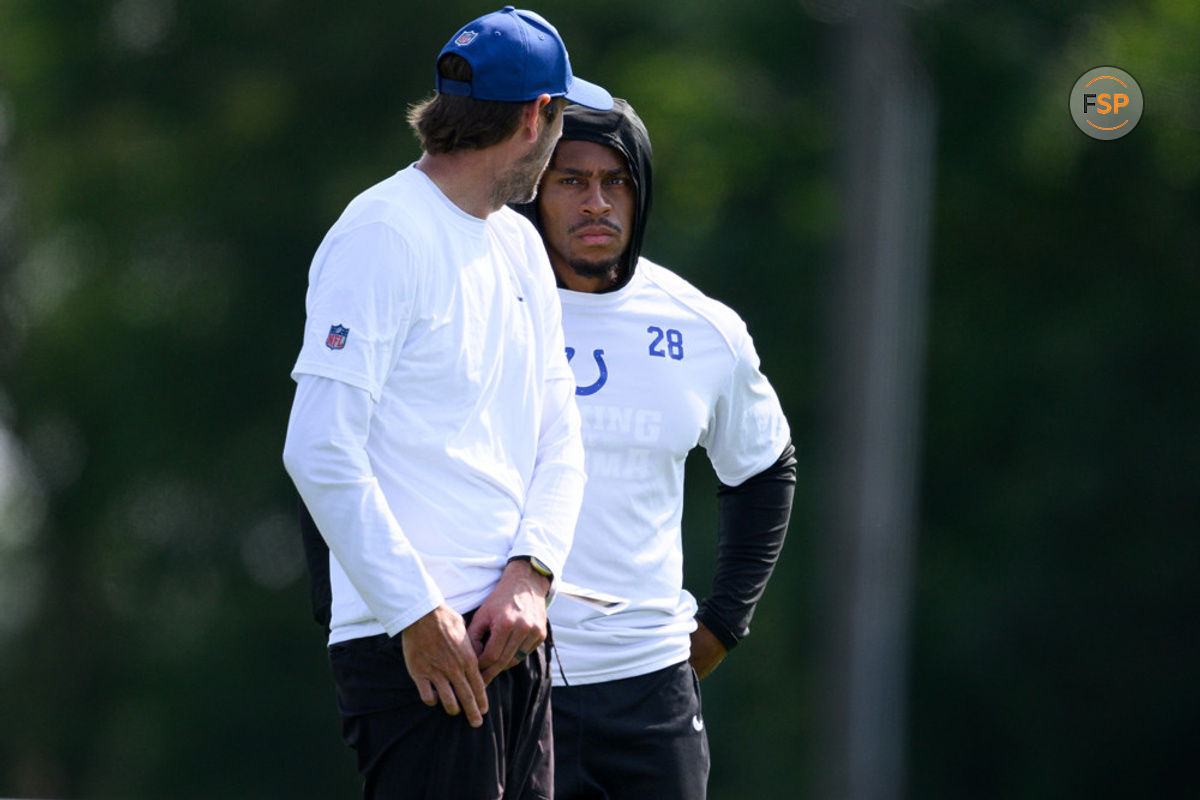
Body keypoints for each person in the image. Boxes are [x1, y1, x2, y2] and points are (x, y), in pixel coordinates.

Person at [282, 8, 612, 798]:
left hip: (512, 640)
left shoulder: (519, 243)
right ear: (537, 118)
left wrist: (533, 572)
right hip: (418, 653)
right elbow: (318, 448)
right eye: (562, 119)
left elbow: (560, 432)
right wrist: (415, 616)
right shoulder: (381, 233)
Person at [513, 99, 796, 799]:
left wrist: (723, 623)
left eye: (618, 182)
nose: (597, 203)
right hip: (504, 681)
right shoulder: (481, 310)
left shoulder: (702, 327)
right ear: (534, 193)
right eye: (571, 181)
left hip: (650, 693)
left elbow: (764, 468)